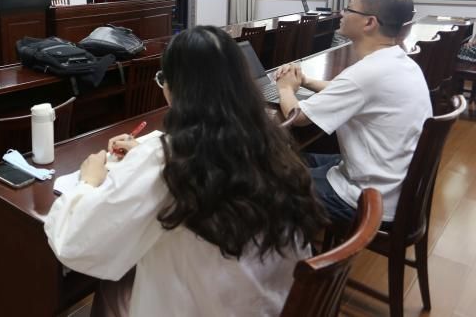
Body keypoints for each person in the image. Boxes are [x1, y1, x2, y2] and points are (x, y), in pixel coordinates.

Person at [44, 26, 326, 317]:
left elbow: (77, 243)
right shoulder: (270, 142)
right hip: (269, 304)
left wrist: (88, 183)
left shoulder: (170, 160)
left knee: (113, 282)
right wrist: (143, 153)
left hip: (204, 307)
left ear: (175, 88)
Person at [275, 0, 431, 225]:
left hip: (369, 199)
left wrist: (285, 87)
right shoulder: (399, 61)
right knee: (292, 159)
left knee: (267, 183)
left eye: (349, 9)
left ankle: (287, 243)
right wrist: (304, 81)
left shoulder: (367, 73)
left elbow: (299, 117)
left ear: (369, 22)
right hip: (391, 185)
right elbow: (350, 91)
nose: (342, 13)